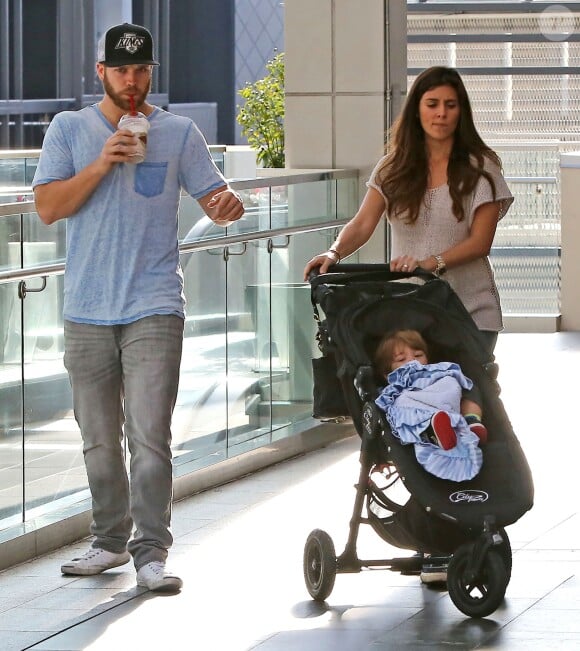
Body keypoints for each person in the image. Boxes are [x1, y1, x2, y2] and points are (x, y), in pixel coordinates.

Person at [32, 23, 244, 593]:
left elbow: (215, 198)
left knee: (150, 437)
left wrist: (228, 206)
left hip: (154, 303)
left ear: (151, 73)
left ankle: (151, 551)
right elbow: (48, 208)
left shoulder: (177, 132)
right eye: (121, 69)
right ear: (100, 72)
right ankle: (108, 541)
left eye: (141, 69)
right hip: (86, 308)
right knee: (99, 440)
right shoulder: (69, 128)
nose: (132, 79)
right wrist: (103, 162)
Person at [304, 66, 514, 355]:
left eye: (450, 105)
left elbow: (480, 243)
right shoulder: (392, 168)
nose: (441, 113)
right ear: (417, 110)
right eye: (432, 104)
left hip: (471, 310)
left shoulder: (481, 169)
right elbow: (363, 224)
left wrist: (431, 263)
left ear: (461, 112)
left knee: (465, 395)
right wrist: (334, 252)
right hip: (410, 309)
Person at [374, 329, 488, 454]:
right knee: (399, 405)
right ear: (387, 374)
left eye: (418, 355)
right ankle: (433, 433)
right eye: (401, 359)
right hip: (425, 415)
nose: (413, 361)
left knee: (466, 385)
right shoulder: (393, 388)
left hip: (449, 405)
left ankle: (471, 421)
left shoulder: (435, 372)